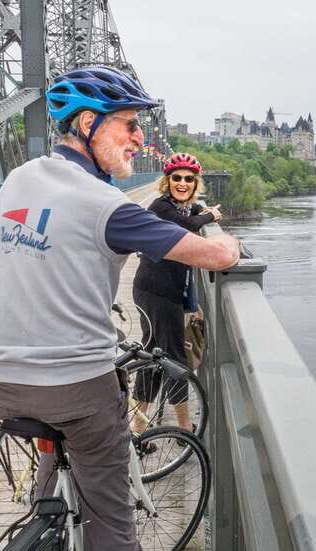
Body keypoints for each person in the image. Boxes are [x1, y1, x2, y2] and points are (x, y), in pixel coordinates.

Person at [0, 66, 239, 551]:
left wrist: (21, 334)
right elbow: (215, 255)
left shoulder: (17, 180)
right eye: (129, 124)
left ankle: (45, 516)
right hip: (77, 388)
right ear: (89, 123)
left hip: (4, 381)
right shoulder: (105, 204)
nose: (139, 138)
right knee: (112, 522)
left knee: (55, 467)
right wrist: (231, 240)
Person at [130, 153, 220, 437]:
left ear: (196, 184)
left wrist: (198, 211)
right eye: (176, 178)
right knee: (175, 359)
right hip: (158, 293)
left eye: (189, 179)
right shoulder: (160, 207)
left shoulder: (179, 208)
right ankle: (183, 427)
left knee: (152, 357)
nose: (182, 183)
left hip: (157, 290)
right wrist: (210, 215)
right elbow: (187, 227)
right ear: (167, 181)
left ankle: (137, 429)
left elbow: (188, 216)